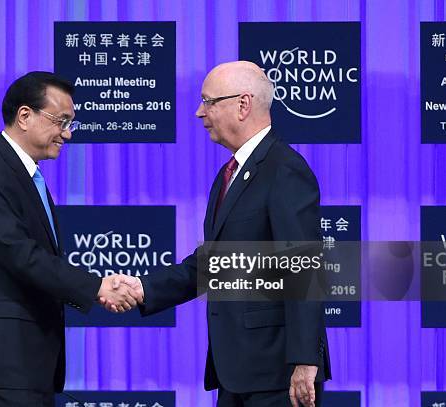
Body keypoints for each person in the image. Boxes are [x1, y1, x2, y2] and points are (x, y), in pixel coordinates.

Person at [108, 61, 331, 407]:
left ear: (243, 104)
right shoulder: (228, 174)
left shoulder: (284, 170)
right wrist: (144, 288)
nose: (199, 113)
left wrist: (305, 361)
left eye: (209, 102)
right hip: (237, 371)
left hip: (277, 374)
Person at [0, 71, 140, 407]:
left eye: (71, 123)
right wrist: (96, 286)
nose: (67, 133)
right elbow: (20, 254)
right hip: (3, 364)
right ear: (25, 116)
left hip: (27, 363)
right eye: (61, 121)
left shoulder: (22, 174)